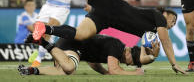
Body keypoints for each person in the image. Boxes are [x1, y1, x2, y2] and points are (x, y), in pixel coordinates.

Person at [32, 0, 186, 74]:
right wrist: (173, 63)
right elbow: (166, 41)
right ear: (164, 13)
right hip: (111, 4)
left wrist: (153, 55)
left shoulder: (150, 34)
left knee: (79, 35)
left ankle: (45, 28)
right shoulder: (157, 16)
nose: (171, 24)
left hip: (105, 19)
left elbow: (146, 56)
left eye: (173, 24)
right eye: (172, 20)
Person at [18, 34, 160, 75]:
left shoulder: (114, 48)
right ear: (128, 50)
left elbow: (93, 61)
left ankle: (31, 70)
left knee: (62, 72)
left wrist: (104, 73)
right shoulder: (118, 46)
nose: (129, 64)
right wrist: (135, 73)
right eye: (132, 60)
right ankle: (43, 42)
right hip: (72, 44)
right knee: (69, 68)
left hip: (70, 44)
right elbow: (114, 70)